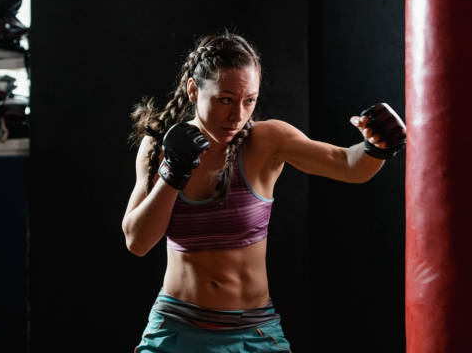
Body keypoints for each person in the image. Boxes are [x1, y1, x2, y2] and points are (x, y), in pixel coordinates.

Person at [122, 31, 406, 353]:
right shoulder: (158, 148)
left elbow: (348, 165)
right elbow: (137, 241)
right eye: (225, 100)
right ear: (192, 90)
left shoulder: (267, 141)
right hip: (178, 330)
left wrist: (377, 146)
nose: (237, 116)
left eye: (249, 101)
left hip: (255, 333)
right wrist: (173, 172)